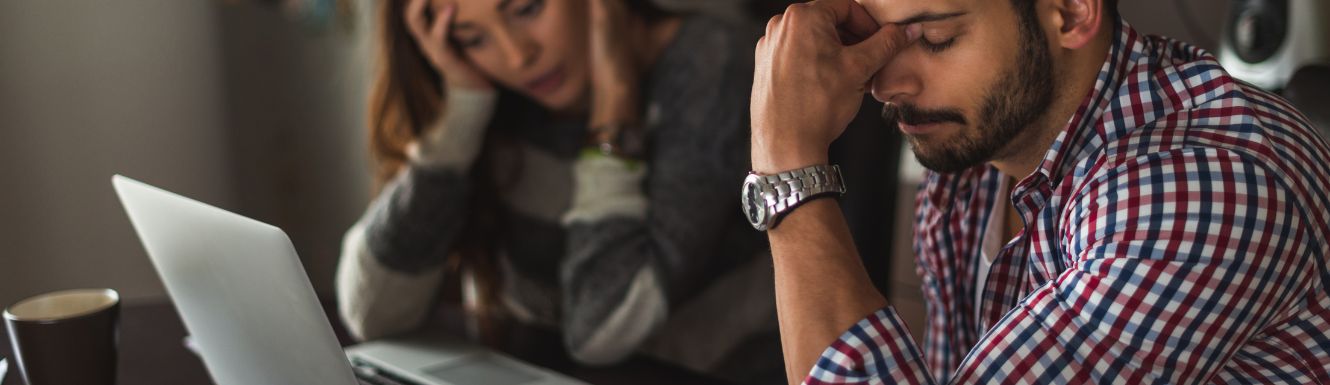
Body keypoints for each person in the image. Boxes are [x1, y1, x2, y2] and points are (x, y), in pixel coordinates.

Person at [747, 0, 1330, 383]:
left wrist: (789, 164)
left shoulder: (1203, 191)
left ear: (1072, 12)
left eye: (936, 39)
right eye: (875, 42)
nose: (887, 86)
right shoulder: (973, 159)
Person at [336, 0, 778, 379]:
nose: (516, 56)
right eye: (473, 38)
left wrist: (615, 104)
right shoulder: (496, 98)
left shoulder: (712, 66)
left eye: (527, 8)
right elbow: (372, 312)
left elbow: (603, 330)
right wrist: (462, 115)